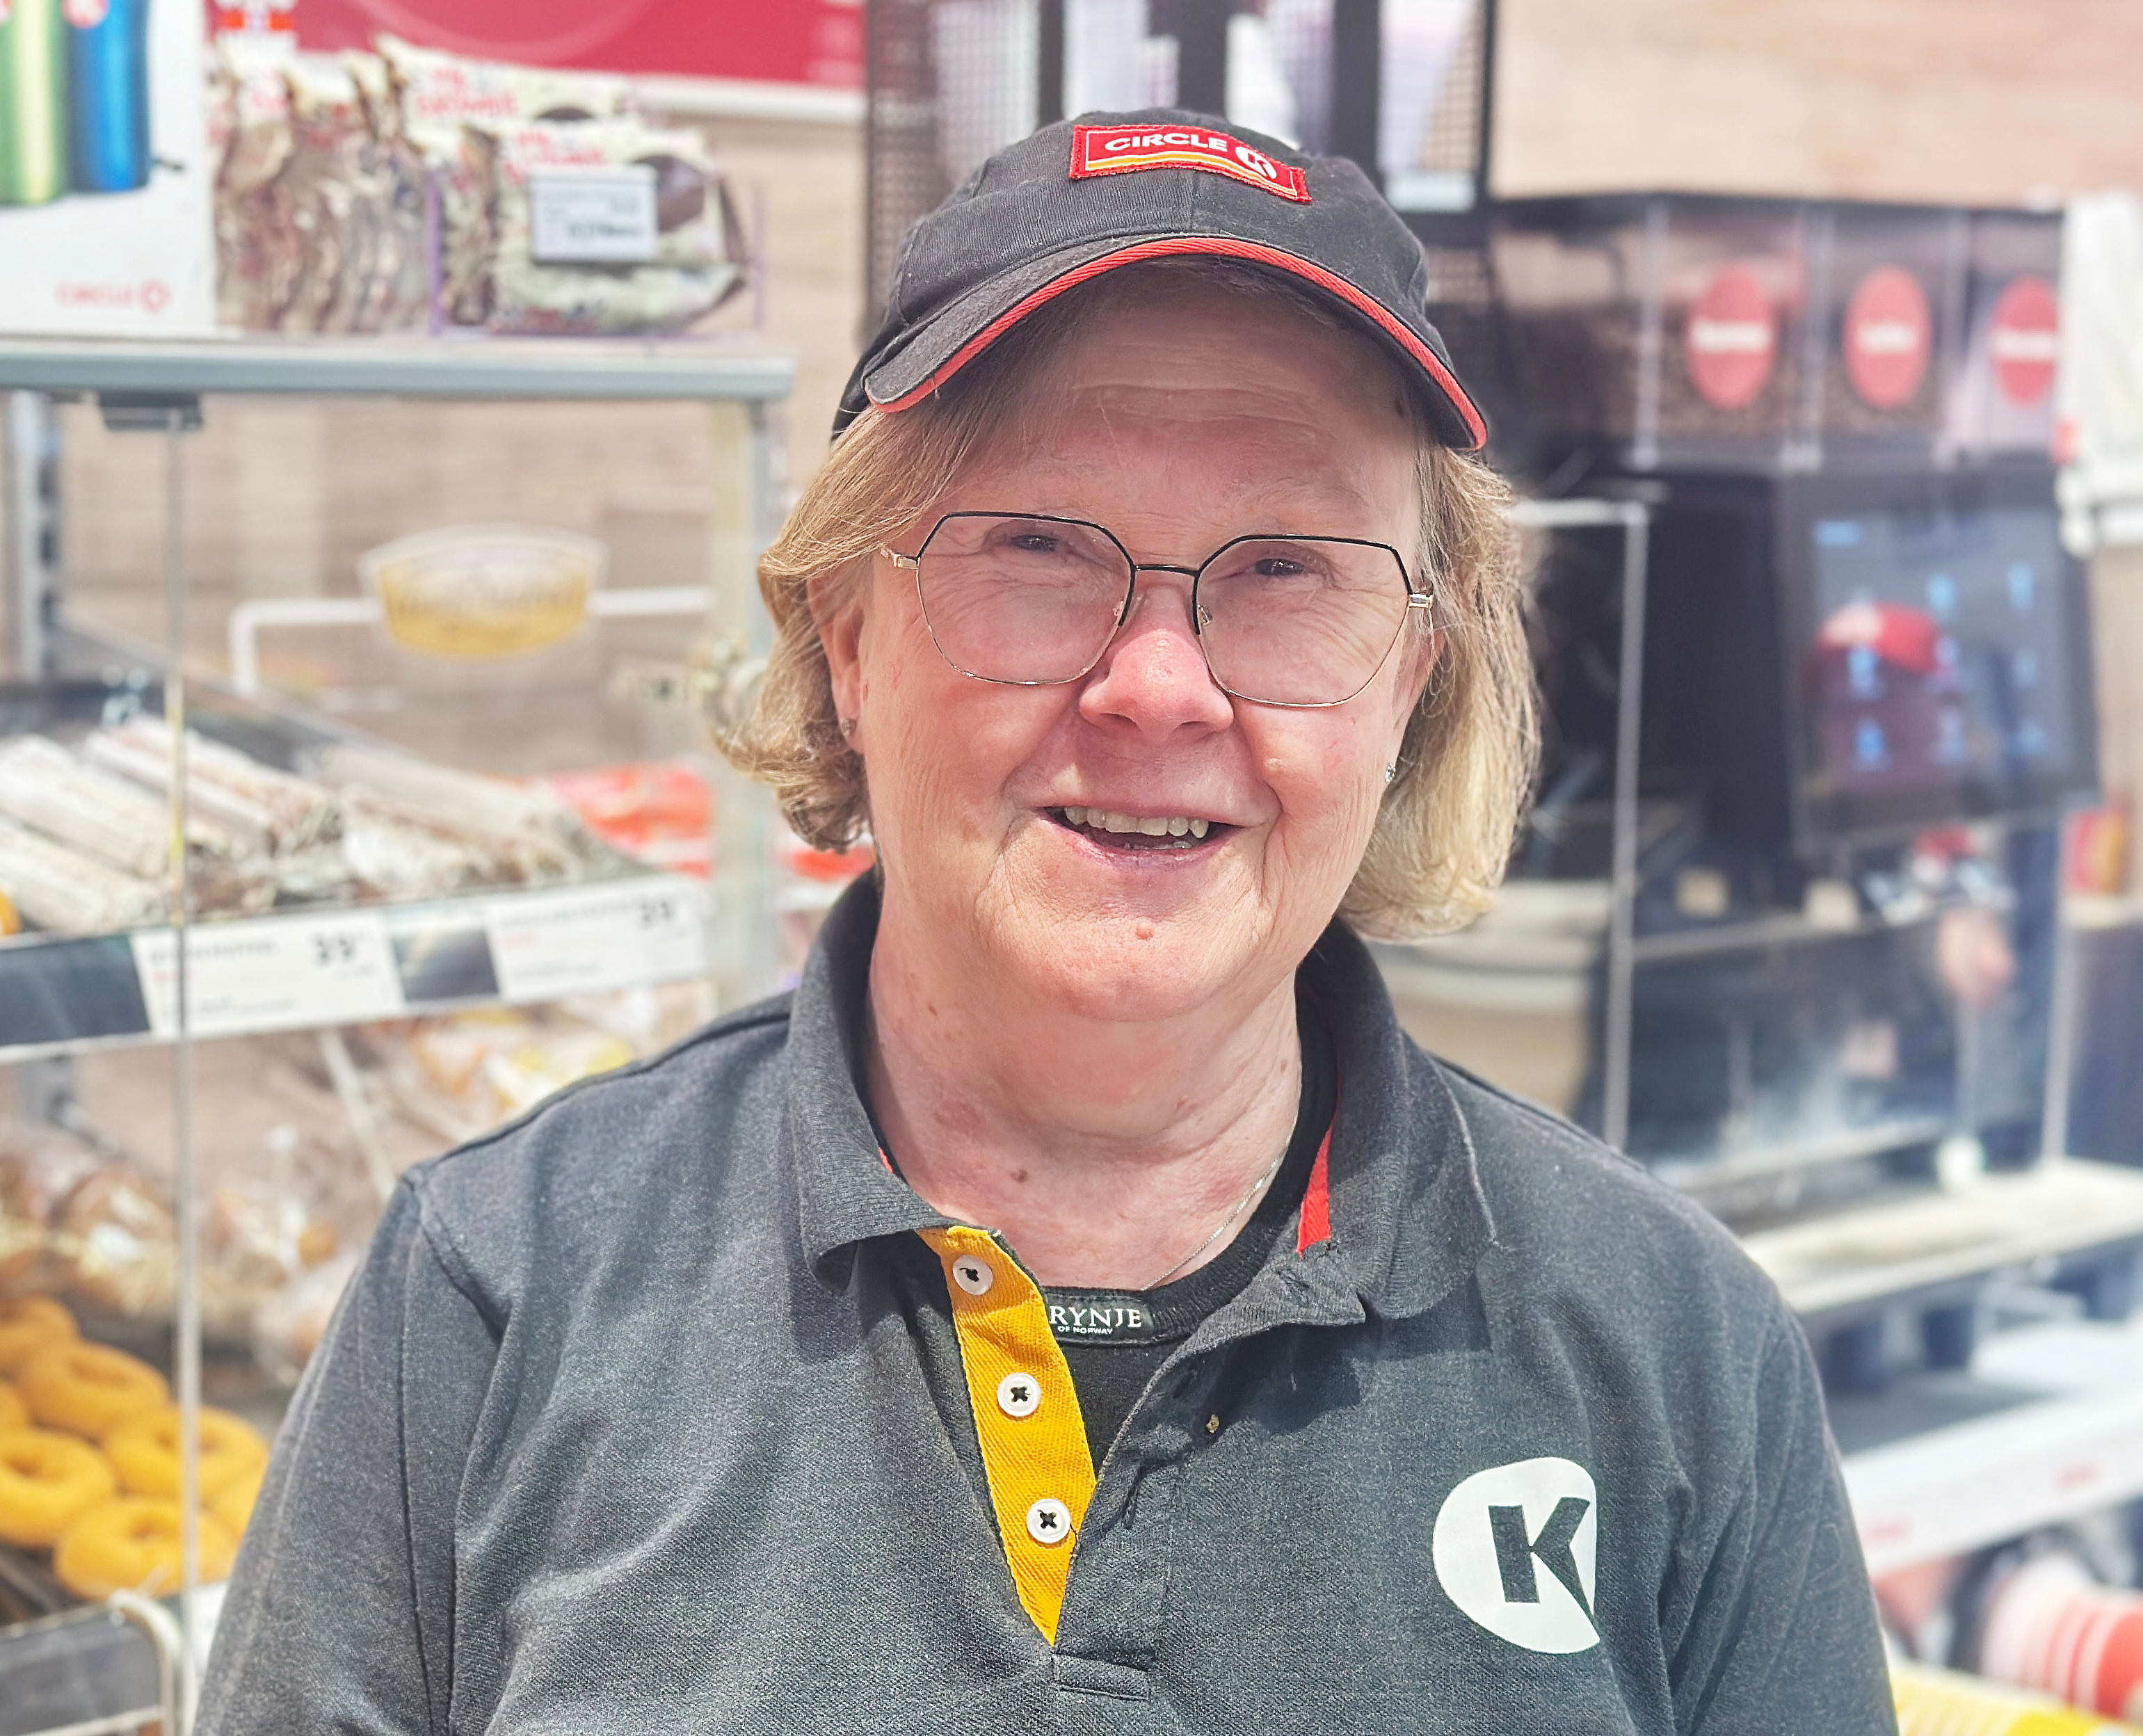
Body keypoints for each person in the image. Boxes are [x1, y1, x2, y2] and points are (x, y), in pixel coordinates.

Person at [201, 111, 1897, 1733]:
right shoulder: (496, 1290)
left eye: (1285, 568)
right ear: (847, 641)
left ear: (1411, 681)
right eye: (1034, 546)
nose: (1157, 687)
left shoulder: (1674, 1351)